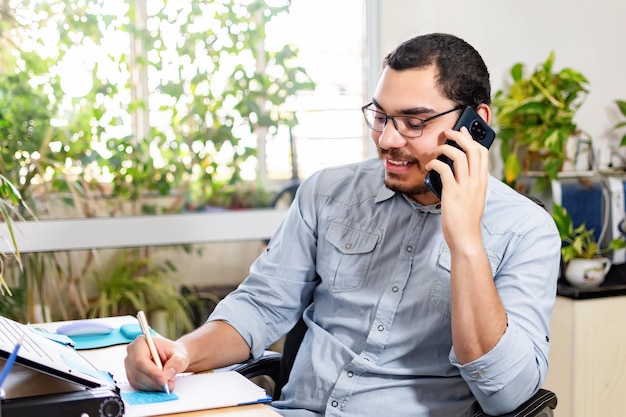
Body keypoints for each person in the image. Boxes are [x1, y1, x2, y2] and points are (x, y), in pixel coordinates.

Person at [124, 33, 561, 417]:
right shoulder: (327, 193)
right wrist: (182, 353)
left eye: (414, 122)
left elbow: (506, 394)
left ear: (475, 123)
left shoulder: (526, 231)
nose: (388, 139)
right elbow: (261, 305)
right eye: (381, 116)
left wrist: (465, 241)